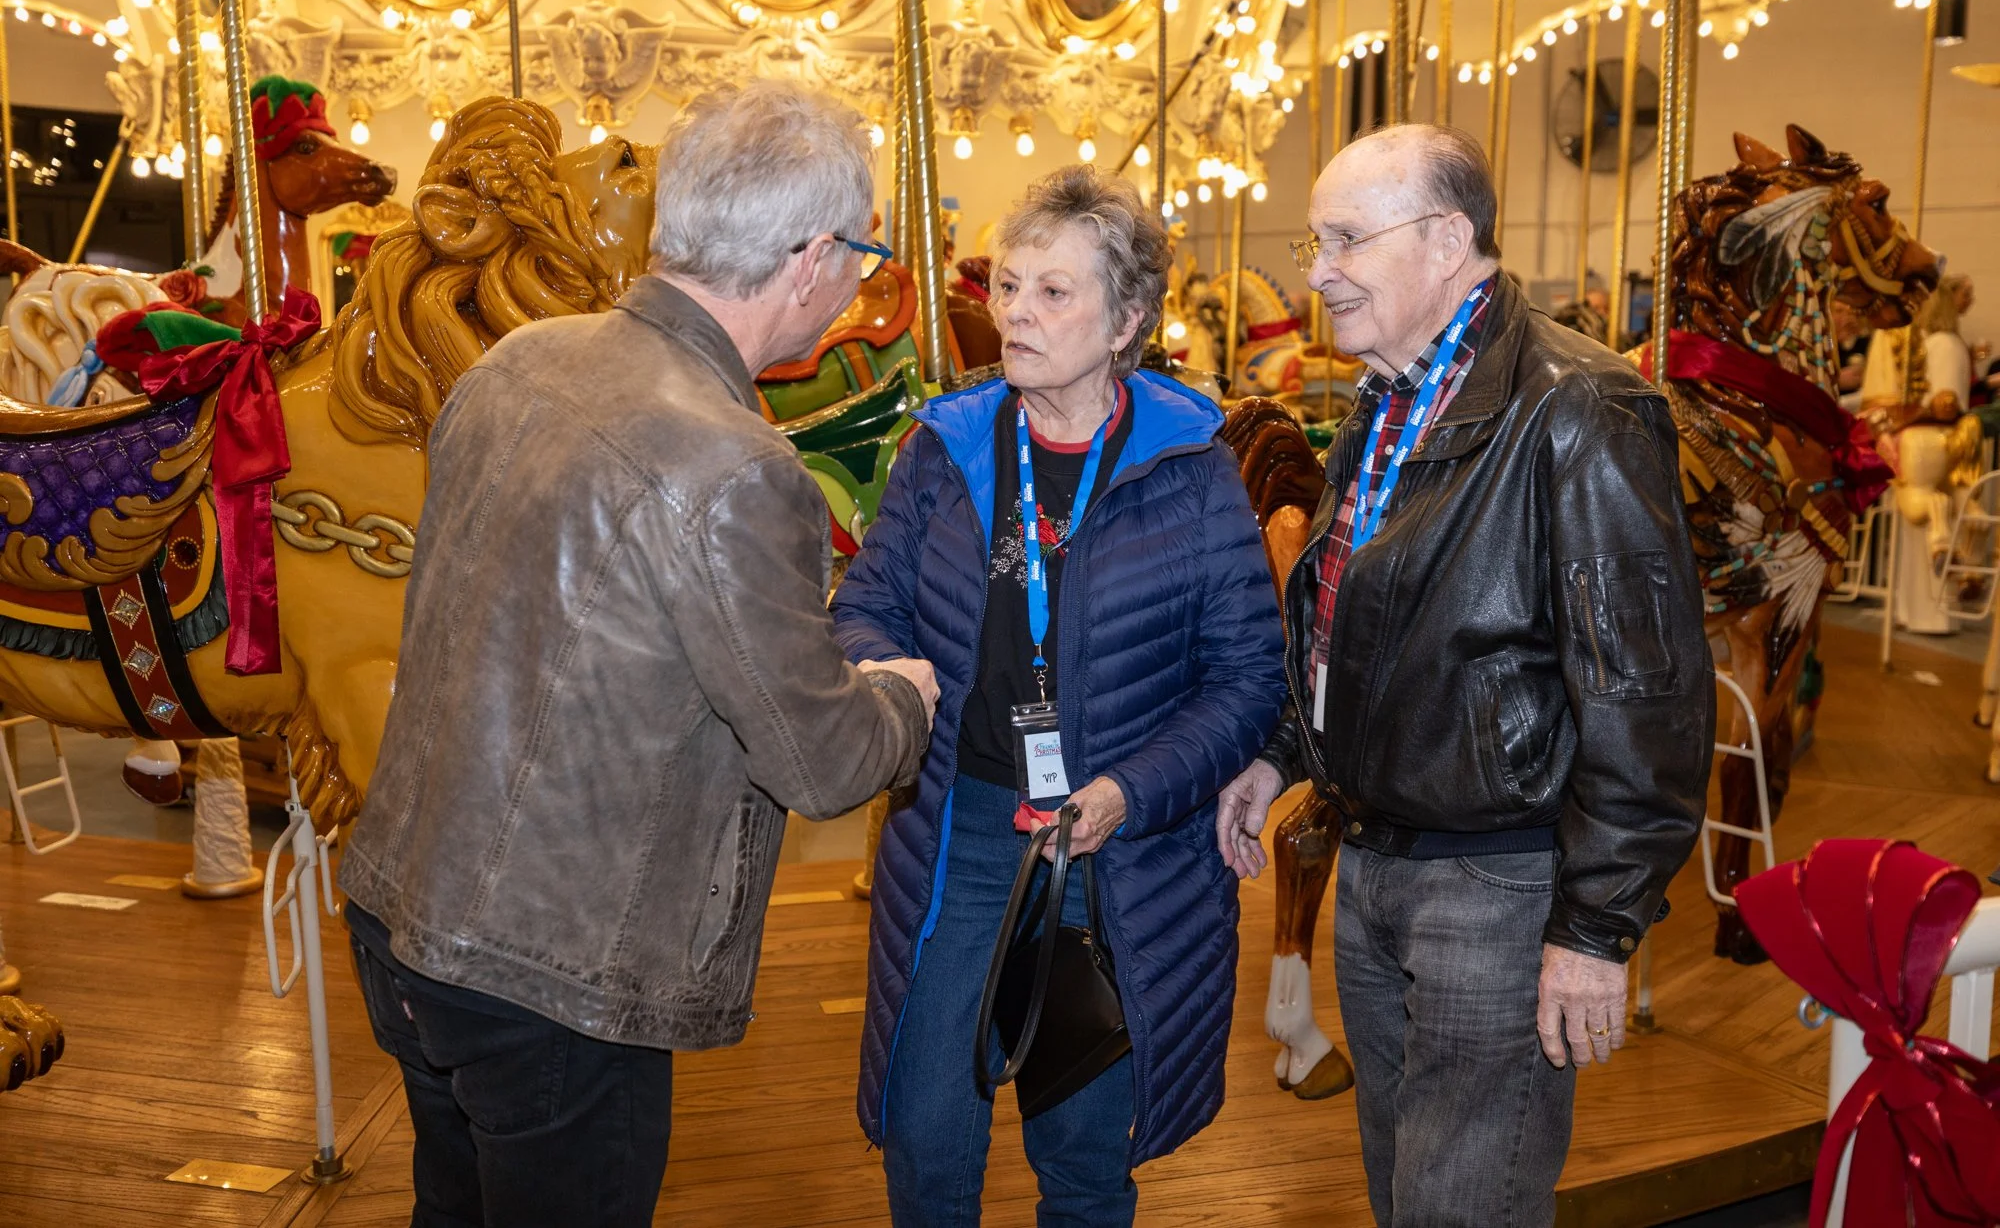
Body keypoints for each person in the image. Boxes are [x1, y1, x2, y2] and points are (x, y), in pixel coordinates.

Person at [337, 81, 940, 1228]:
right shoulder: (737, 466)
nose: (861, 278)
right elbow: (817, 763)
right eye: (859, 252)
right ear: (812, 257)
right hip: (551, 979)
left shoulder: (516, 365)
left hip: (404, 912)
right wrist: (899, 699)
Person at [1214, 124, 1712, 1226]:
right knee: (1407, 1193)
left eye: (1346, 237)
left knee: (1462, 1204)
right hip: (1380, 858)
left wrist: (1594, 928)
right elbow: (1362, 626)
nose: (1317, 268)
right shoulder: (1384, 401)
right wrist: (1280, 750)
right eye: (1315, 239)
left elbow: (1648, 702)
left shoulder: (1578, 409)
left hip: (1498, 879)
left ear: (1447, 240)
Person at [834, 164, 1286, 1226]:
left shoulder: (1190, 465)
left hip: (1114, 843)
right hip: (962, 824)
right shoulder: (943, 448)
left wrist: (1133, 786)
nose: (1015, 315)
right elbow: (863, 606)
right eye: (1007, 286)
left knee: (1084, 1155)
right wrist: (886, 678)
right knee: (925, 1135)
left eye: (1052, 293)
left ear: (1125, 318)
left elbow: (1246, 676)